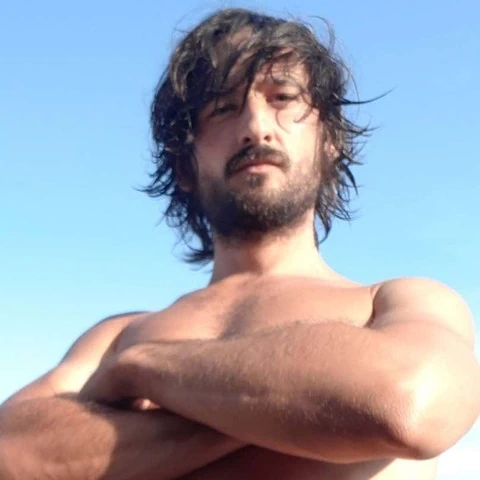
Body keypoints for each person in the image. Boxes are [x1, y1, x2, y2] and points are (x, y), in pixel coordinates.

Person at [1, 7, 479, 480]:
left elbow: (410, 404)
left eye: (282, 97)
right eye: (223, 108)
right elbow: (10, 453)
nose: (255, 126)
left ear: (328, 142)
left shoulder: (398, 301)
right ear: (185, 165)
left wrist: (145, 369)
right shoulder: (116, 335)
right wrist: (299, 407)